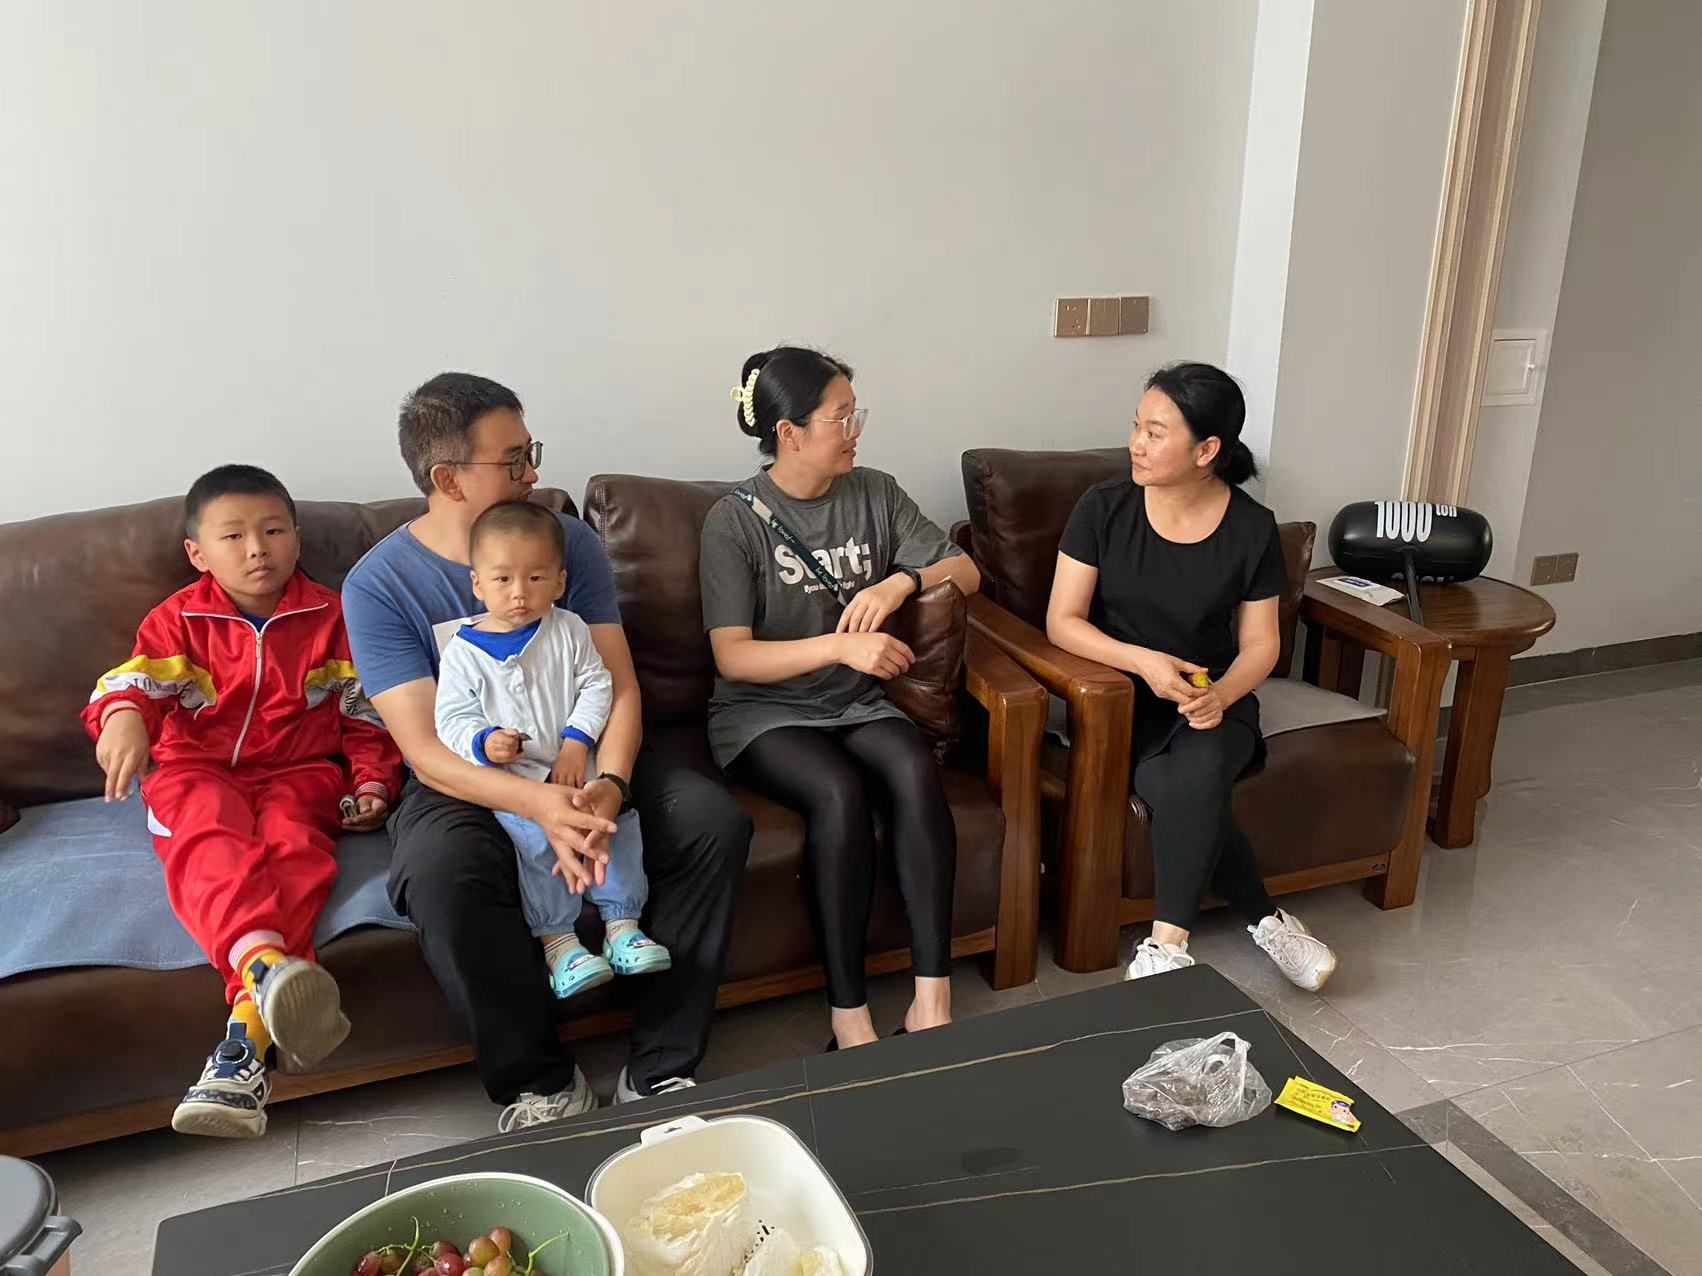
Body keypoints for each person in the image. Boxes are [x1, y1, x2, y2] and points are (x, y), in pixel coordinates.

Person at [343, 372, 749, 1132]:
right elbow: (425, 750)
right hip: (469, 773)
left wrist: (609, 785)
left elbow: (617, 687)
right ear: (448, 479)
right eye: (514, 460)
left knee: (710, 822)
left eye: (532, 453)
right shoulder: (378, 585)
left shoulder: (567, 543)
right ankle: (542, 1084)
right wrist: (540, 806)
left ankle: (661, 1067)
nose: (533, 474)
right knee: (440, 874)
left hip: (581, 745)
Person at [82, 465, 402, 1139]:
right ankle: (264, 979)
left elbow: (368, 717)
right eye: (233, 536)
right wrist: (122, 718)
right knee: (212, 843)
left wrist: (372, 783)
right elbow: (129, 685)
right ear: (198, 553)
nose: (257, 549)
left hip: (300, 772)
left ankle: (242, 1048)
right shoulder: (178, 619)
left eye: (273, 531)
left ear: (297, 538)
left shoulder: (334, 617)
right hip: (194, 770)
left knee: (293, 852)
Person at [700, 347, 982, 1051]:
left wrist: (900, 582)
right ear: (789, 433)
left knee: (913, 766)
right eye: (841, 417)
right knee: (838, 792)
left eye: (857, 413)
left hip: (855, 702)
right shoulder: (732, 521)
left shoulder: (875, 492)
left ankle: (932, 1002)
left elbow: (966, 569)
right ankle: (848, 1016)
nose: (856, 430)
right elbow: (733, 656)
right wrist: (839, 647)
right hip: (763, 713)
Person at [1046, 362, 1337, 990]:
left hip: (1211, 694)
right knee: (1186, 783)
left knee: (1198, 764)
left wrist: (1222, 695)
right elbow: (1062, 621)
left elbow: (1261, 643)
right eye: (1136, 426)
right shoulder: (1104, 508)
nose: (1135, 443)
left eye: (1155, 433)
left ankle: (1164, 949)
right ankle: (1268, 920)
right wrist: (1142, 660)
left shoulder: (1251, 527)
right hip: (1121, 698)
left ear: (1207, 451)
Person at [434, 500, 670, 1001]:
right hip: (518, 782)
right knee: (535, 845)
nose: (520, 592)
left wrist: (576, 743)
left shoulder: (570, 629)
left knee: (613, 828)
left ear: (559, 583)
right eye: (503, 579)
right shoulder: (461, 651)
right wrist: (483, 741)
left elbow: (598, 686)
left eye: (536, 578)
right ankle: (559, 945)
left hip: (579, 769)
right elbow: (450, 718)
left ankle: (623, 926)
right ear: (478, 584)